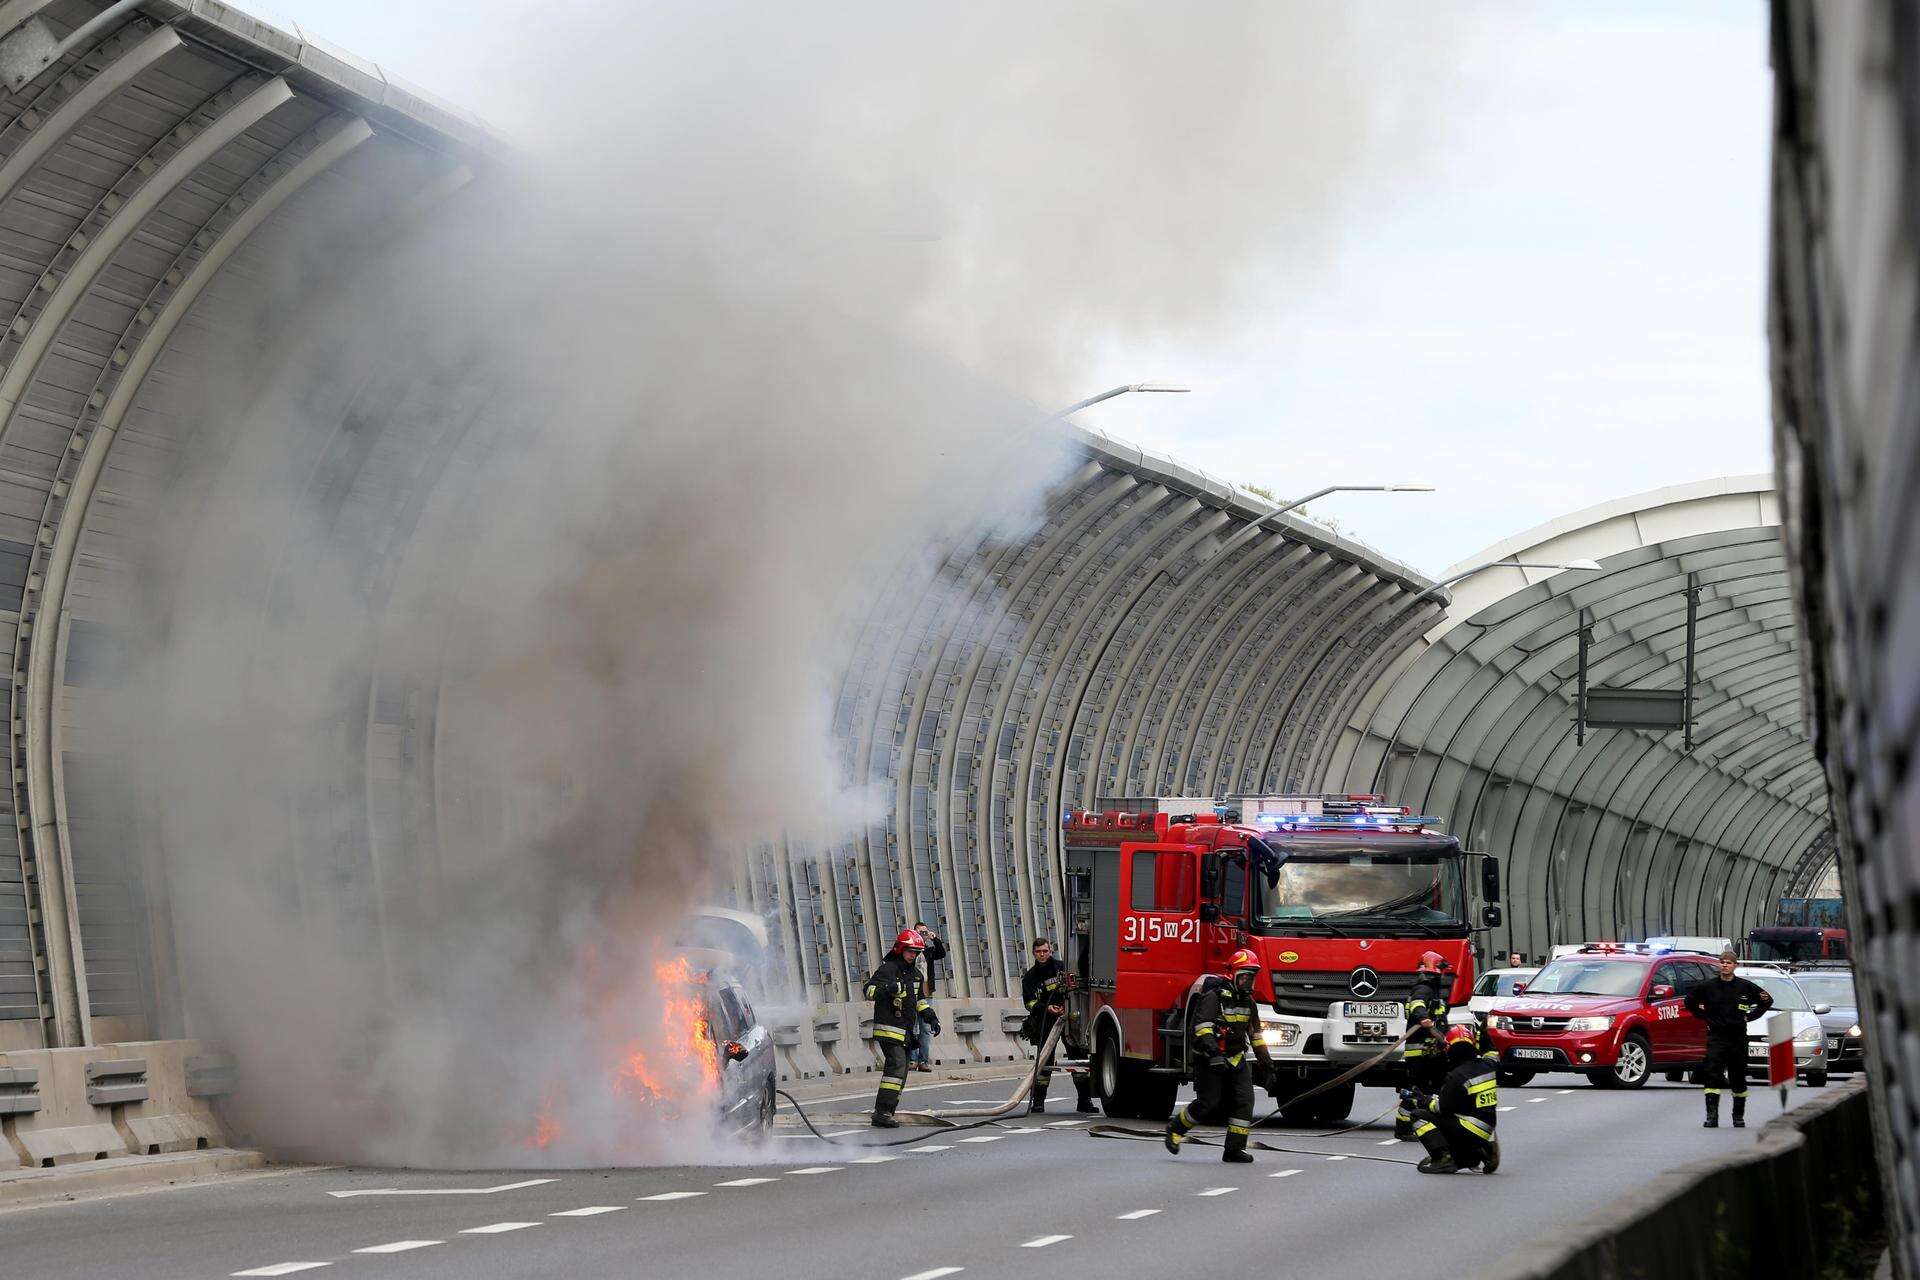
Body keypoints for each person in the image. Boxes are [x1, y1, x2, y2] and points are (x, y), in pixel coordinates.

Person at [1165, 948, 1273, 1163]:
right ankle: (1175, 1129)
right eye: (1244, 977)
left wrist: (1267, 1066)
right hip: (1209, 1058)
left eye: (1251, 978)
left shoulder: (1249, 1003)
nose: (1247, 983)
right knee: (1209, 1102)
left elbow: (1257, 1037)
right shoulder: (1214, 997)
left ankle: (1234, 1149)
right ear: (1233, 974)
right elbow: (1202, 1028)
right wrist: (1214, 1054)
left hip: (1235, 1058)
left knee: (1245, 1101)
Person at [1683, 949, 1773, 1128]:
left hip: (1738, 1039)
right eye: (1722, 962)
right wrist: (1704, 1015)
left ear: (1735, 965)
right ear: (1719, 964)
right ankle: (1712, 1116)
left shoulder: (1745, 987)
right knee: (1712, 1075)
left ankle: (1738, 1116)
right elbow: (1689, 1001)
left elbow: (1767, 1000)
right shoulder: (1708, 986)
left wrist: (1750, 1016)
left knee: (1738, 1077)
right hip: (1717, 1038)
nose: (1725, 965)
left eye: (1729, 962)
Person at [865, 929, 938, 1128]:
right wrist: (887, 989)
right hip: (888, 1029)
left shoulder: (916, 976)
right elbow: (869, 991)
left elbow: (919, 1001)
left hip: (905, 1031)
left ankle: (888, 1111)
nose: (912, 955)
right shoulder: (888, 969)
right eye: (909, 951)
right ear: (900, 949)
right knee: (896, 1066)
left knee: (902, 1071)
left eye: (916, 952)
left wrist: (931, 1017)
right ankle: (881, 1113)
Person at [1406, 1023, 1501, 1174]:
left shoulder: (1457, 1076)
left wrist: (1422, 1100)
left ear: (1449, 1050)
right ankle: (1483, 1150)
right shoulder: (1488, 1065)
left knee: (1419, 1116)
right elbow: (1492, 1053)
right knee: (1463, 1160)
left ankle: (1443, 1158)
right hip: (1486, 1130)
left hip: (1469, 1130)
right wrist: (1485, 1033)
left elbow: (1443, 1108)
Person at [1020, 937, 1095, 1114]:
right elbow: (1029, 1003)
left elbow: (1076, 989)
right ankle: (1038, 1102)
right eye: (1038, 952)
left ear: (1050, 951)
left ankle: (1084, 1101)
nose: (1042, 954)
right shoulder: (1030, 978)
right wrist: (1046, 1008)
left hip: (1069, 1019)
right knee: (1044, 1061)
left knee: (1077, 1059)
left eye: (1045, 951)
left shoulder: (1062, 969)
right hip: (1045, 1022)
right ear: (1033, 953)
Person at [1397, 950, 1453, 1139]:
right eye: (1442, 972)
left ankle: (1414, 1124)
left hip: (1431, 1050)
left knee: (1427, 1090)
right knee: (1419, 1090)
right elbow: (1417, 1006)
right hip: (1421, 1052)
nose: (1444, 976)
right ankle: (1404, 1127)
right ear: (1434, 972)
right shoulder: (1423, 989)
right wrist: (1424, 1019)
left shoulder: (1432, 991)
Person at [909, 922, 949, 1073]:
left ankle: (923, 1061)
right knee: (912, 1028)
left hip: (927, 994)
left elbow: (942, 953)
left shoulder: (929, 951)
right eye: (920, 932)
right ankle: (912, 1060)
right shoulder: (910, 951)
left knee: (926, 1029)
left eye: (925, 932)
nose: (923, 934)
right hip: (912, 994)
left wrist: (935, 938)